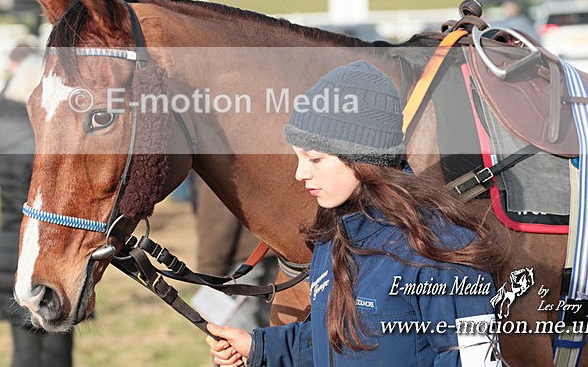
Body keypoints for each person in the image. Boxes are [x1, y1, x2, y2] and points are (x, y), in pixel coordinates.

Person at [206, 61, 507, 367]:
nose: (300, 174)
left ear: (362, 158)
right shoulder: (332, 238)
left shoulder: (441, 252)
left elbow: (475, 361)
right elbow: (335, 339)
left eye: (314, 159)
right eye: (298, 158)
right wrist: (260, 348)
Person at [0, 43, 74, 367]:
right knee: (55, 348)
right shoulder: (39, 138)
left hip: (9, 241)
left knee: (23, 346)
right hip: (44, 248)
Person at [191, 173, 278, 330]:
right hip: (276, 249)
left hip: (243, 265)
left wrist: (209, 271)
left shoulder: (219, 151)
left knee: (240, 341)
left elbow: (217, 214)